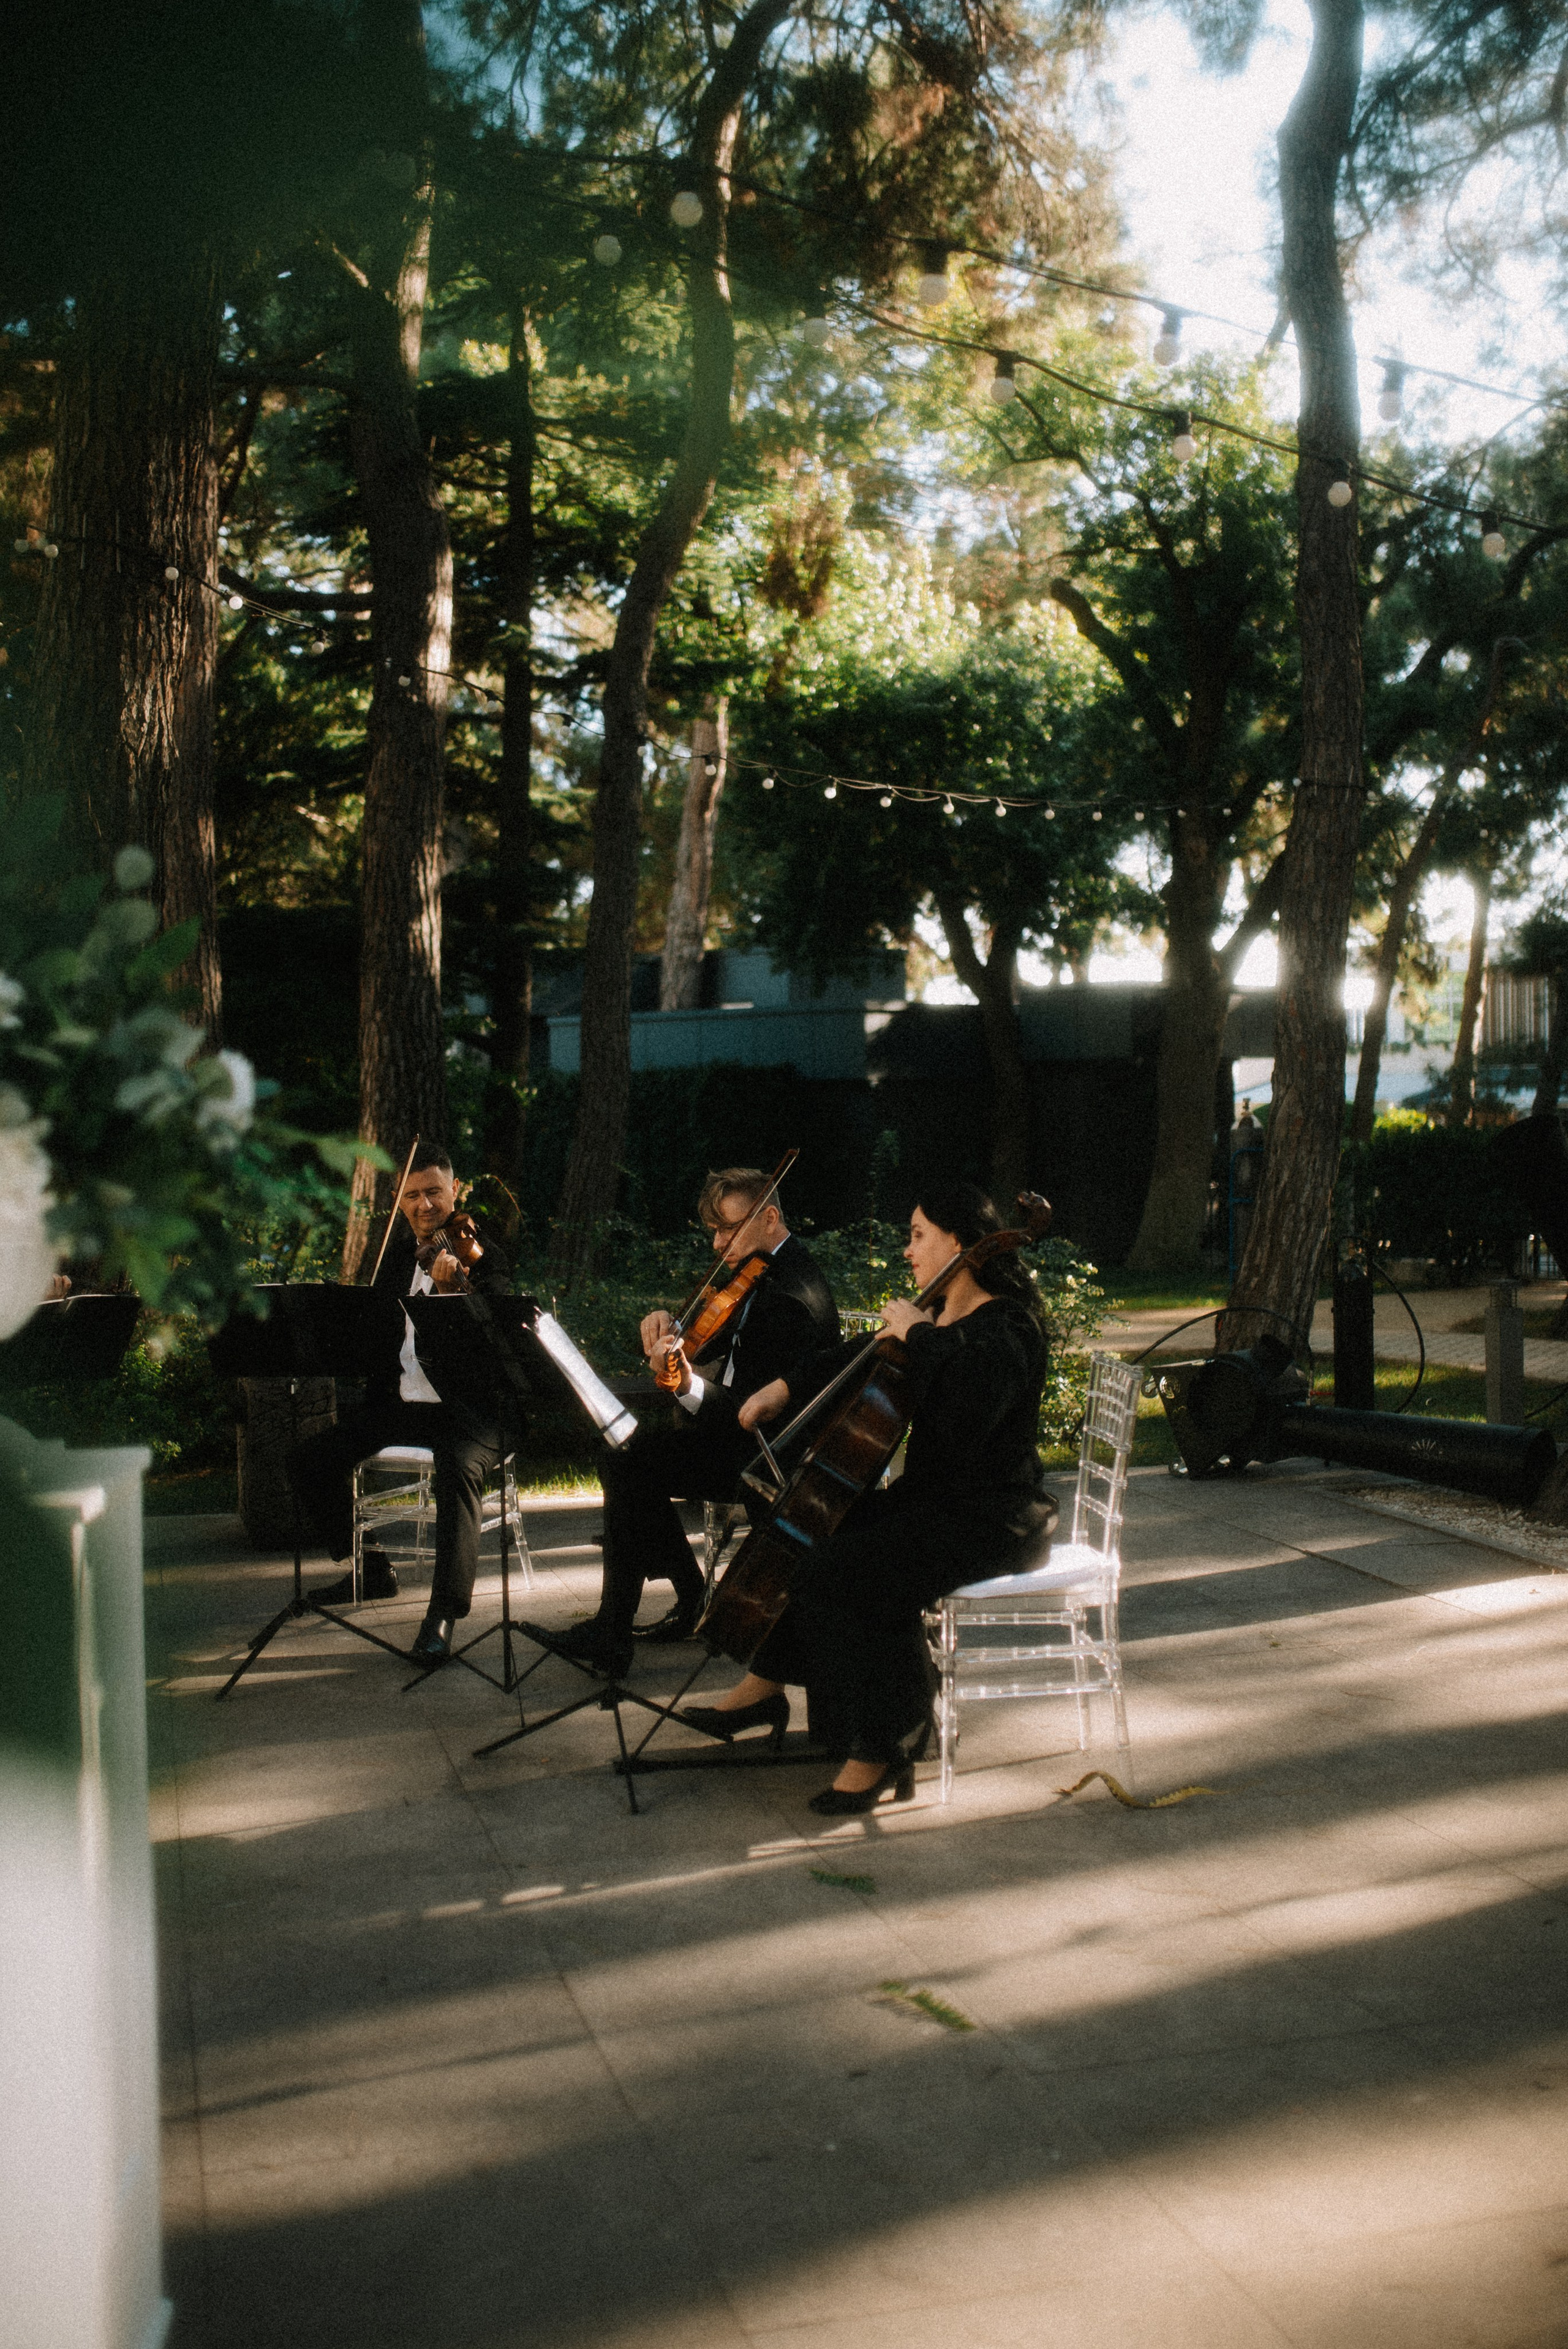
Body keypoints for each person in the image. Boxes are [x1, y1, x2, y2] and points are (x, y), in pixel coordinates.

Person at [683, 1180, 1057, 1813]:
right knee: (814, 1536)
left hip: (995, 1516)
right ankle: (765, 1686)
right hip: (936, 1503)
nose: (907, 1251)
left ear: (963, 1245)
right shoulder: (939, 1316)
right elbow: (853, 1356)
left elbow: (976, 1400)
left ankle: (885, 1747)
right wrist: (783, 1386)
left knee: (847, 1569)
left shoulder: (1007, 1325)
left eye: (918, 1235)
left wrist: (918, 1335)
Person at [532, 1166, 839, 1678]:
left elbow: (748, 1414)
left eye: (728, 1230)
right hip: (739, 1439)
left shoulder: (791, 1297)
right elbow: (706, 1335)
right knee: (626, 1456)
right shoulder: (763, 1269)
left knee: (630, 1461)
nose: (718, 1243)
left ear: (769, 1218)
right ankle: (684, 1598)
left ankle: (623, 1626)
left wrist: (686, 1385)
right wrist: (665, 1326)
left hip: (767, 1458)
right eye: (714, 1231)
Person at [290, 1142, 521, 1665]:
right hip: (405, 1405)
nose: (424, 1206)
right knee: (308, 1460)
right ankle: (370, 1567)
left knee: (457, 1468)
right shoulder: (395, 1258)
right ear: (398, 1201)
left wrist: (449, 1297)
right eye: (412, 1196)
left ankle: (443, 1615)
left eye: (434, 1192)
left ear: (454, 1190)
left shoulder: (485, 1257)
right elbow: (378, 1340)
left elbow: (488, 1353)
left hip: (472, 1410)